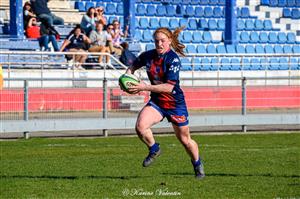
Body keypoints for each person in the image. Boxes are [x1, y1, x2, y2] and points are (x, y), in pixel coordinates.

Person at [123, 27, 205, 179]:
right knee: (140, 127)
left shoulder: (173, 59)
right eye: (156, 41)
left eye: (162, 41)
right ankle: (154, 149)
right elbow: (133, 66)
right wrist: (127, 78)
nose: (159, 44)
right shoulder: (148, 56)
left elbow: (169, 87)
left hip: (175, 104)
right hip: (157, 102)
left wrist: (143, 87)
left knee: (185, 140)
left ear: (170, 42)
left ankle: (197, 164)